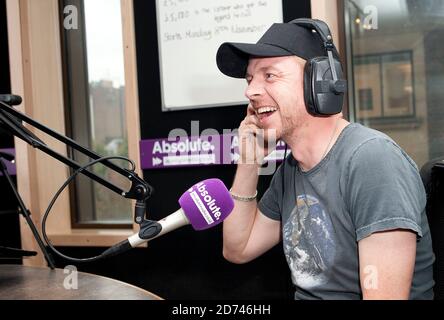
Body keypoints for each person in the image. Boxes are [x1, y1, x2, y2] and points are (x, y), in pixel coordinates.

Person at [216, 18, 435, 300]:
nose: (250, 92)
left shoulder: (372, 160)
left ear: (319, 81)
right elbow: (237, 249)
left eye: (269, 75)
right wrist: (249, 162)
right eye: (249, 80)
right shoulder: (291, 170)